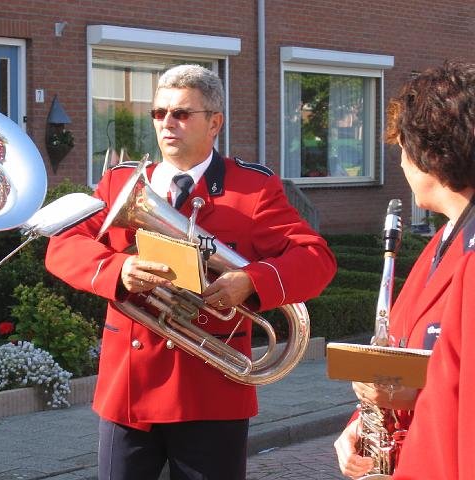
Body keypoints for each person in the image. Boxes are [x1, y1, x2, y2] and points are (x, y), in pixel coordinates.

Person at [45, 64, 336, 480]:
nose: (167, 123)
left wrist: (251, 280)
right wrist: (118, 268)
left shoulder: (252, 189)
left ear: (215, 123)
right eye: (158, 113)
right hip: (129, 386)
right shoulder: (119, 182)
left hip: (211, 391)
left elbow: (315, 258)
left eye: (181, 113)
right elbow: (63, 245)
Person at [334, 60, 475, 479]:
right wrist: (362, 421)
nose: (399, 165)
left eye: (402, 150)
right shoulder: (444, 239)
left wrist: (412, 396)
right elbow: (404, 351)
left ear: (430, 155)